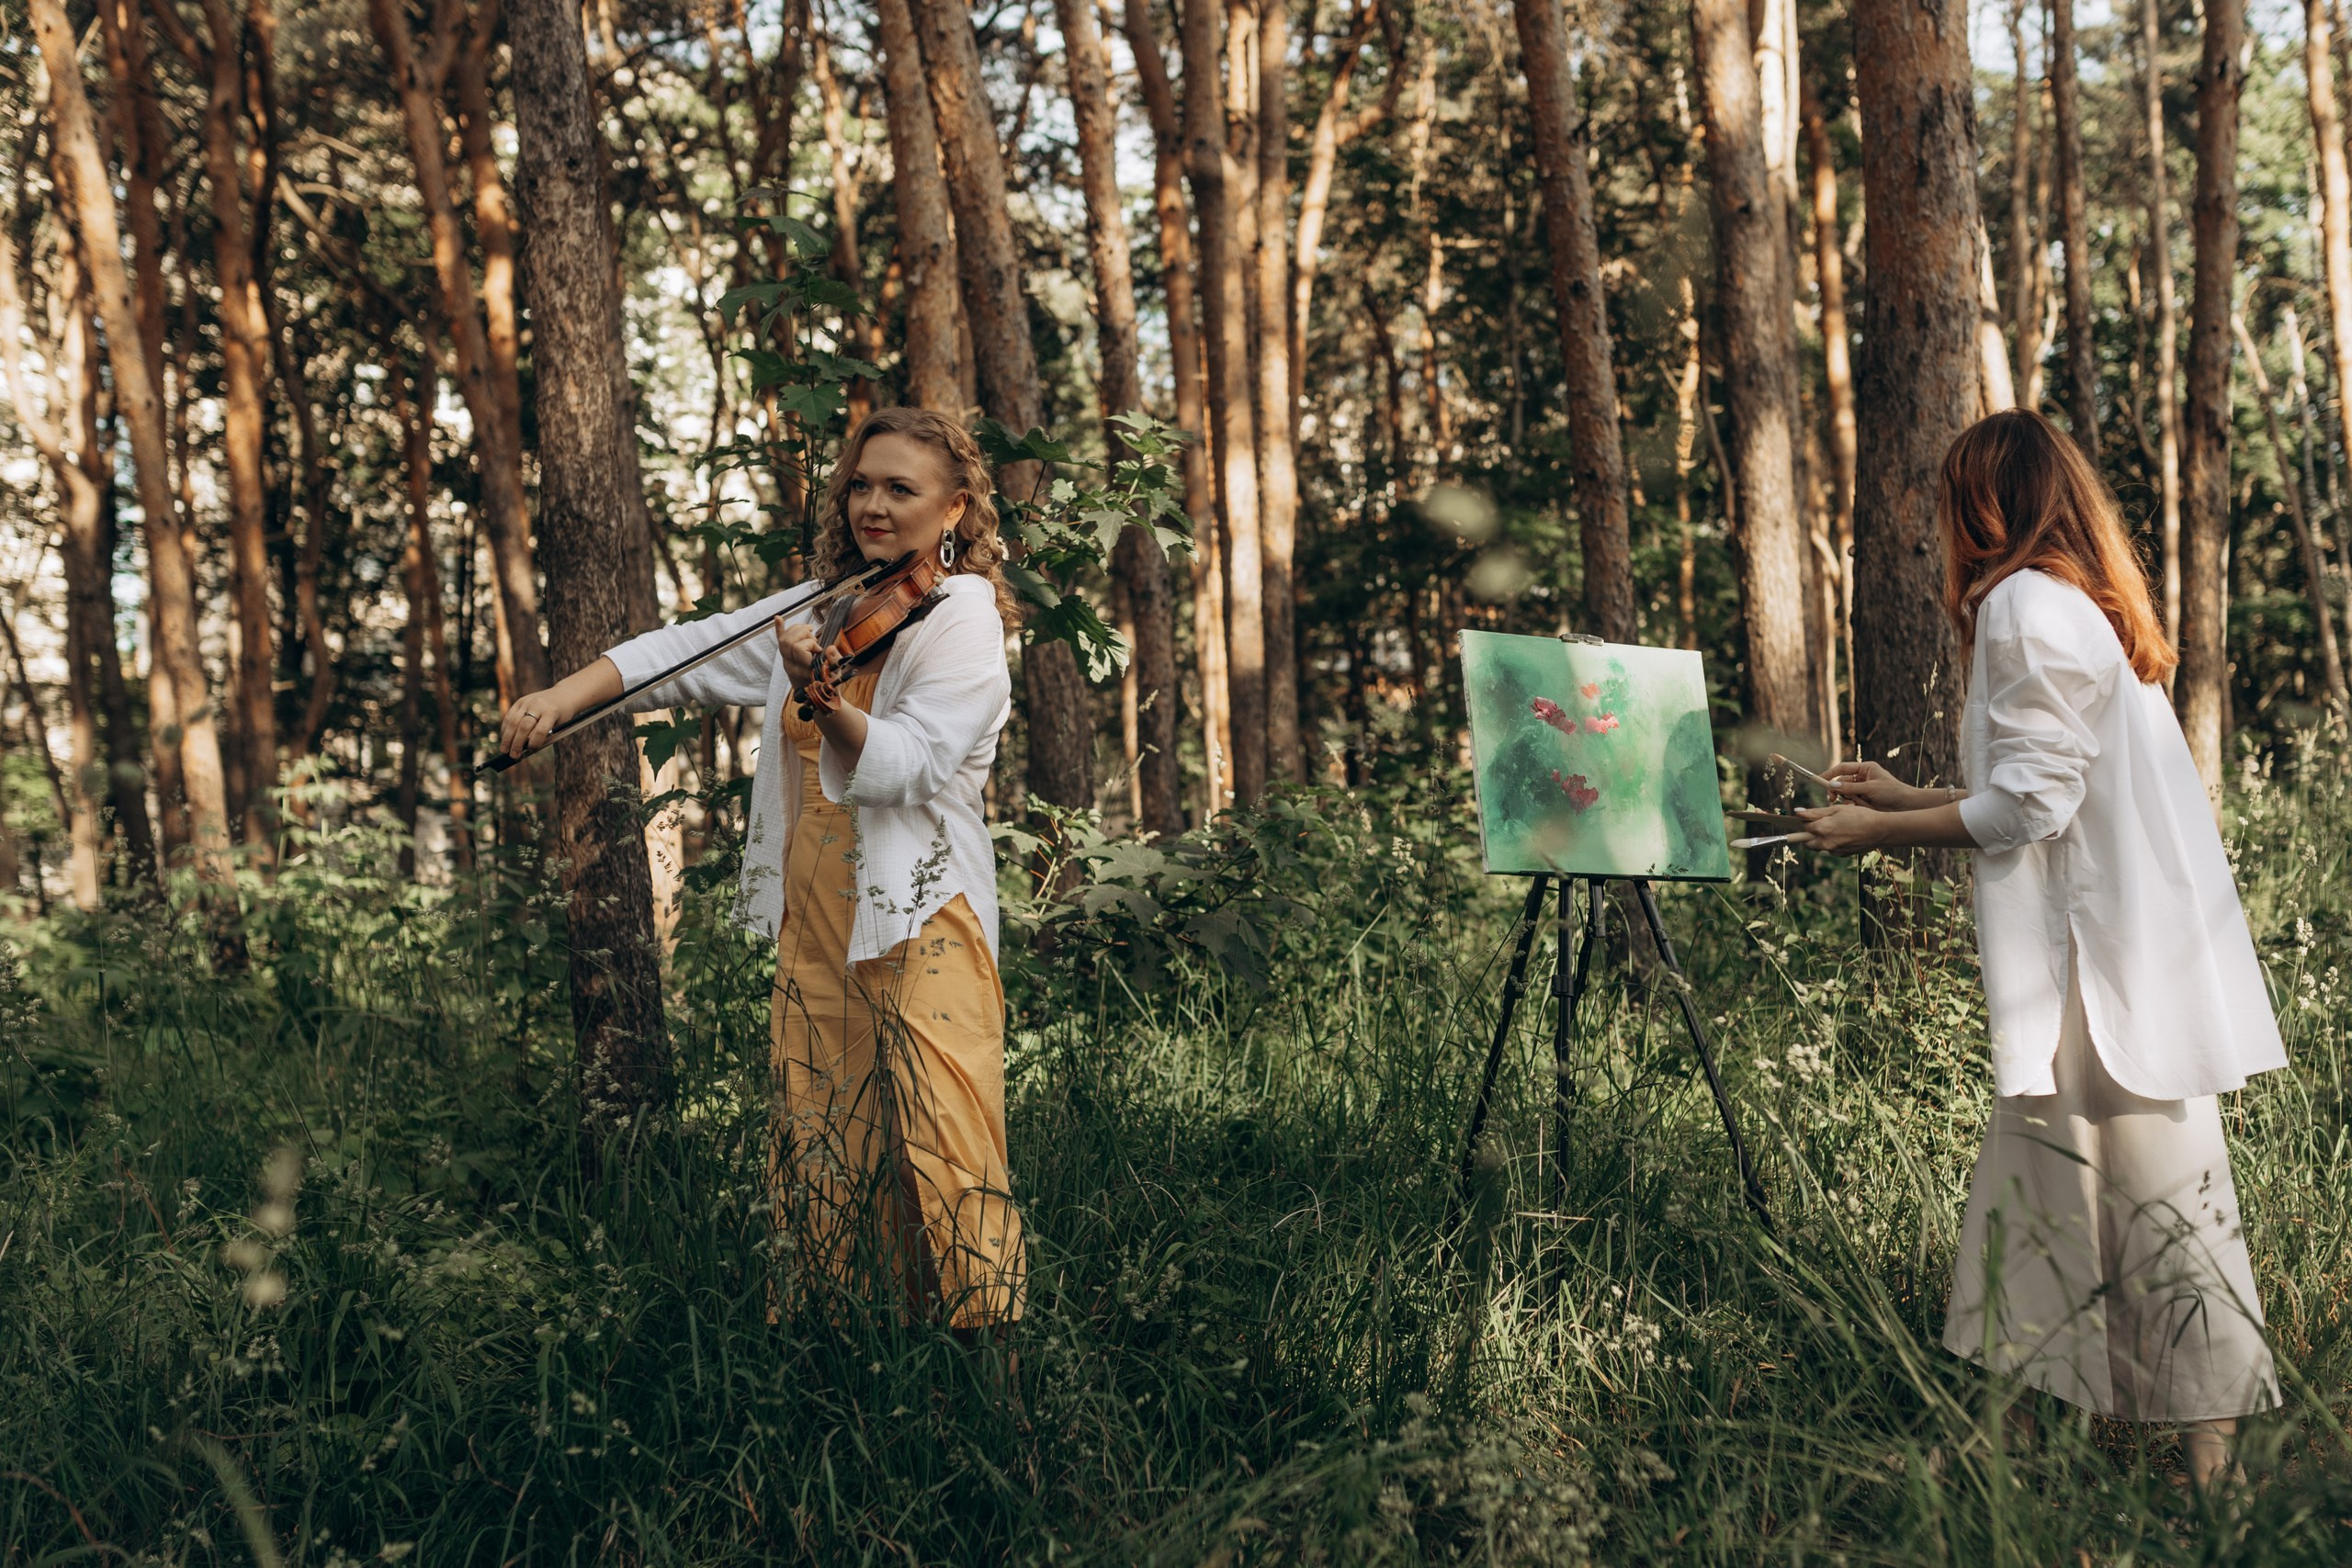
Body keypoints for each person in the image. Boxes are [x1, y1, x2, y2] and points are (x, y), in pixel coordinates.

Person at [1792, 409, 2285, 1486]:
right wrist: (1910, 796)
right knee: (2035, 1206)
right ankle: (2008, 1441)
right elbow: (2047, 793)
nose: (1939, 530)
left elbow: (2028, 811)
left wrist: (1879, 831)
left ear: (1982, 504)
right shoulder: (2080, 604)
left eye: (1947, 504)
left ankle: (2214, 1481)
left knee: (2160, 1224)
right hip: (2109, 969)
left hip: (2097, 983)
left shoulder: (2021, 605)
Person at [498, 407, 1026, 1333]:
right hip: (818, 918)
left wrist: (820, 696)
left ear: (955, 510)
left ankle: (994, 1369)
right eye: (860, 484)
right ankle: (846, 1344)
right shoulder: (827, 606)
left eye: (900, 488)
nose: (872, 504)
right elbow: (679, 654)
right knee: (825, 1137)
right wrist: (556, 697)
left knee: (947, 1139)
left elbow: (912, 764)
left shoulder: (964, 621)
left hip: (918, 919)